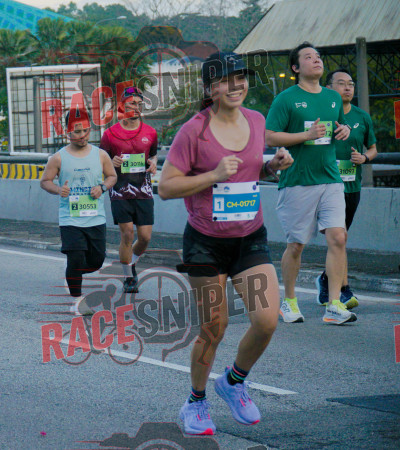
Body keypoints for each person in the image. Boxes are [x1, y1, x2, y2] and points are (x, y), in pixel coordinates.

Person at [159, 52, 294, 436]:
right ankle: (195, 402)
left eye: (241, 78)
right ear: (210, 88)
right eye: (225, 80)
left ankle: (233, 382)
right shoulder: (193, 131)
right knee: (213, 327)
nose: (236, 86)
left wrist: (271, 167)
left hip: (249, 238)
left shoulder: (257, 120)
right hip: (206, 243)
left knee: (267, 321)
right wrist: (213, 175)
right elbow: (166, 186)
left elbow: (250, 170)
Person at [265, 42, 355, 325]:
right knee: (296, 245)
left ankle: (334, 304)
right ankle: (289, 301)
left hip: (330, 177)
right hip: (298, 180)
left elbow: (339, 125)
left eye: (318, 56)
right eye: (308, 57)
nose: (316, 60)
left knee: (338, 237)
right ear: (295, 67)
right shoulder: (286, 99)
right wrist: (305, 136)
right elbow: (270, 136)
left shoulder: (332, 98)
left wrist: (344, 129)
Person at [40, 110, 117, 315]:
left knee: (96, 261)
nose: (82, 136)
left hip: (95, 217)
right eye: (76, 132)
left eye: (85, 131)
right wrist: (59, 190)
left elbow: (112, 176)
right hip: (70, 219)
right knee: (75, 257)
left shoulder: (100, 155)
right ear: (67, 132)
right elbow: (45, 181)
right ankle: (77, 299)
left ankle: (71, 275)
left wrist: (102, 187)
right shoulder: (58, 157)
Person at [316, 69, 378, 309]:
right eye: (341, 83)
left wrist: (364, 158)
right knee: (339, 238)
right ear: (329, 88)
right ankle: (343, 289)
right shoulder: (321, 115)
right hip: (326, 185)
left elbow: (373, 148)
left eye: (351, 84)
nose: (348, 88)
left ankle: (326, 279)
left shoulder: (362, 117)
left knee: (341, 239)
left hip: (352, 186)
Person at [100, 87, 159, 293]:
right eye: (132, 103)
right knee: (127, 234)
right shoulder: (109, 134)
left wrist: (153, 163)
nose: (136, 107)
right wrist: (111, 162)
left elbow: (153, 155)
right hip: (119, 190)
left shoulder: (150, 132)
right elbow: (101, 161)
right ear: (122, 106)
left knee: (145, 237)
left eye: (139, 104)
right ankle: (128, 277)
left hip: (143, 190)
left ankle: (130, 262)